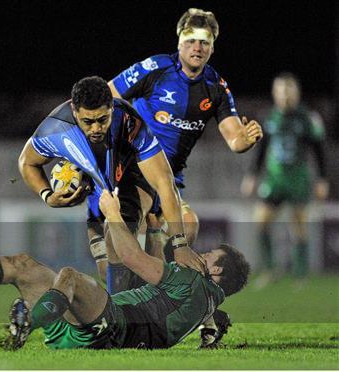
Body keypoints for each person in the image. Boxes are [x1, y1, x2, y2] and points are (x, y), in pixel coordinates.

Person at [0, 189, 248, 350]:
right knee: (25, 265)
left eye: (208, 255)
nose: (200, 253)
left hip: (113, 326)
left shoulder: (190, 278)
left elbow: (128, 256)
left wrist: (112, 212)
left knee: (70, 276)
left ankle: (25, 325)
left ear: (216, 272)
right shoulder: (207, 296)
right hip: (103, 322)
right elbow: (138, 265)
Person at [19, 76, 207, 295]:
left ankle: (122, 316)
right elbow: (27, 162)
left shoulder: (128, 120)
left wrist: (180, 245)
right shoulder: (55, 130)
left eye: (103, 119)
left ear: (112, 107)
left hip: (133, 177)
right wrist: (47, 195)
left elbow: (164, 181)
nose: (96, 128)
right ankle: (148, 289)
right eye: (88, 121)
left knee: (116, 235)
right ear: (74, 110)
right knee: (107, 271)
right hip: (99, 191)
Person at [108, 8, 263, 249]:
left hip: (171, 180)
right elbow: (108, 94)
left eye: (204, 42)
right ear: (180, 42)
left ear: (212, 47)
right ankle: (123, 278)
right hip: (137, 169)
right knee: (133, 225)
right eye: (191, 41)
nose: (197, 48)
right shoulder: (155, 68)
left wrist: (247, 140)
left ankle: (157, 283)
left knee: (188, 226)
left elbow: (235, 140)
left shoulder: (217, 89)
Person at [241, 72, 328, 286]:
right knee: (261, 221)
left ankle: (300, 274)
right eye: (281, 91)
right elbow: (261, 149)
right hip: (274, 179)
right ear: (274, 93)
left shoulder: (308, 117)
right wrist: (252, 175)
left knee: (298, 225)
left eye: (289, 91)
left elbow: (318, 150)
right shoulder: (268, 117)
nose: (285, 95)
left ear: (296, 93)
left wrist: (322, 179)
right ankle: (270, 270)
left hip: (298, 178)